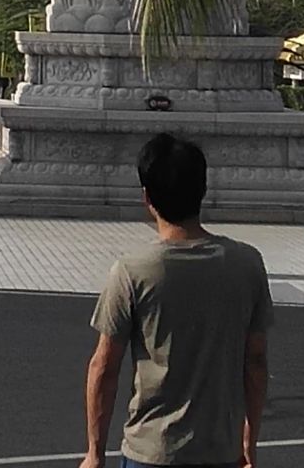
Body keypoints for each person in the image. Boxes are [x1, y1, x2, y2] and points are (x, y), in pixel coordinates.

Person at [80, 134, 273, 468]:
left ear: (147, 198)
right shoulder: (247, 264)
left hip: (152, 449)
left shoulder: (133, 270)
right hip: (220, 450)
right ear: (202, 190)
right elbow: (255, 362)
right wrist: (249, 442)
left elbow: (104, 367)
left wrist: (95, 453)